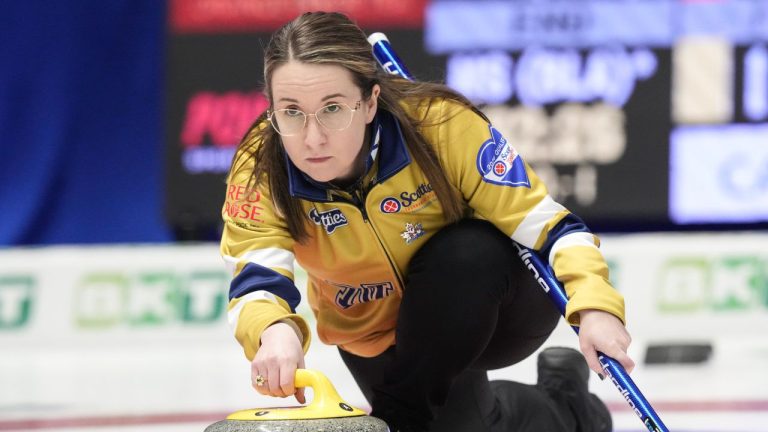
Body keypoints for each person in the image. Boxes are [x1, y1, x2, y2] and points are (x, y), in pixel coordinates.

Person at [220, 11, 634, 432]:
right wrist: (273, 329)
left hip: (491, 302)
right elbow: (255, 271)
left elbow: (551, 228)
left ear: (369, 102)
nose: (312, 138)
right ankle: (570, 405)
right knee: (475, 425)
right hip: (378, 328)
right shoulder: (261, 164)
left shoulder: (441, 124)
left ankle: (399, 419)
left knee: (467, 252)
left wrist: (598, 307)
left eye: (332, 109)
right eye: (291, 112)